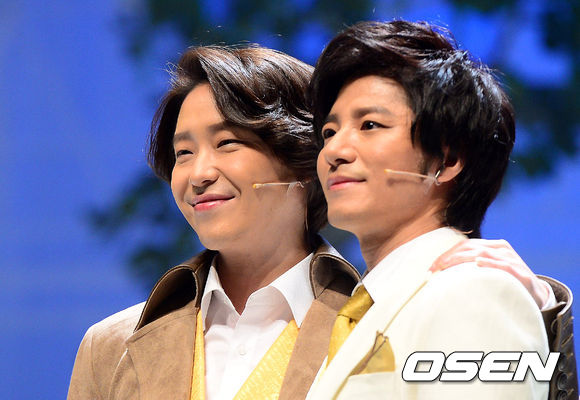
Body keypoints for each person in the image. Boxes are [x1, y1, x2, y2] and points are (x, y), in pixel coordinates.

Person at [67, 46, 570, 400]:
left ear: (302, 163)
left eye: (227, 143)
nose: (198, 173)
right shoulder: (111, 345)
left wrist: (541, 314)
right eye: (182, 153)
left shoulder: (377, 314)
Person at [306, 20, 576, 399]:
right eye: (329, 132)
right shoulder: (360, 312)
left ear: (447, 161)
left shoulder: (474, 292)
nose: (334, 151)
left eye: (370, 125)